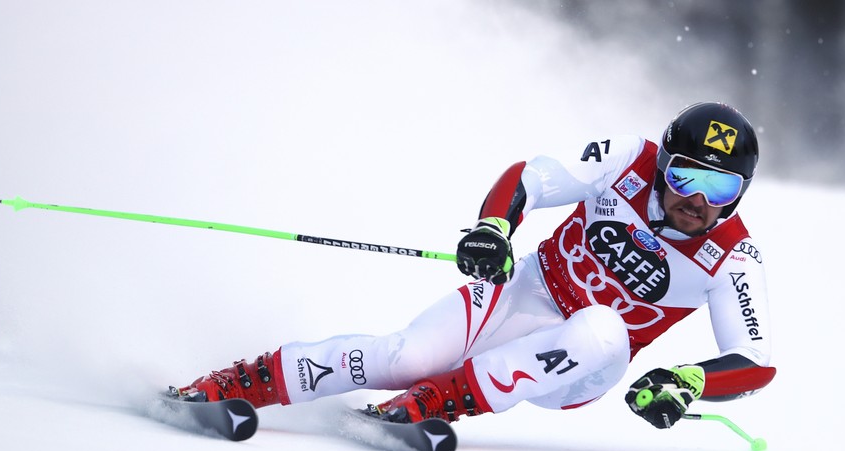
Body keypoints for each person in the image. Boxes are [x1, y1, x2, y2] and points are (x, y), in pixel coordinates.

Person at [178, 101, 776, 430]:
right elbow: (531, 177)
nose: (696, 199)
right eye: (684, 175)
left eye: (719, 187)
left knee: (605, 327)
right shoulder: (628, 159)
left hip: (578, 366)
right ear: (663, 162)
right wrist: (495, 228)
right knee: (403, 357)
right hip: (523, 292)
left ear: (740, 192)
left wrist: (688, 380)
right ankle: (240, 383)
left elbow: (756, 362)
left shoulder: (734, 255)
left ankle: (441, 400)